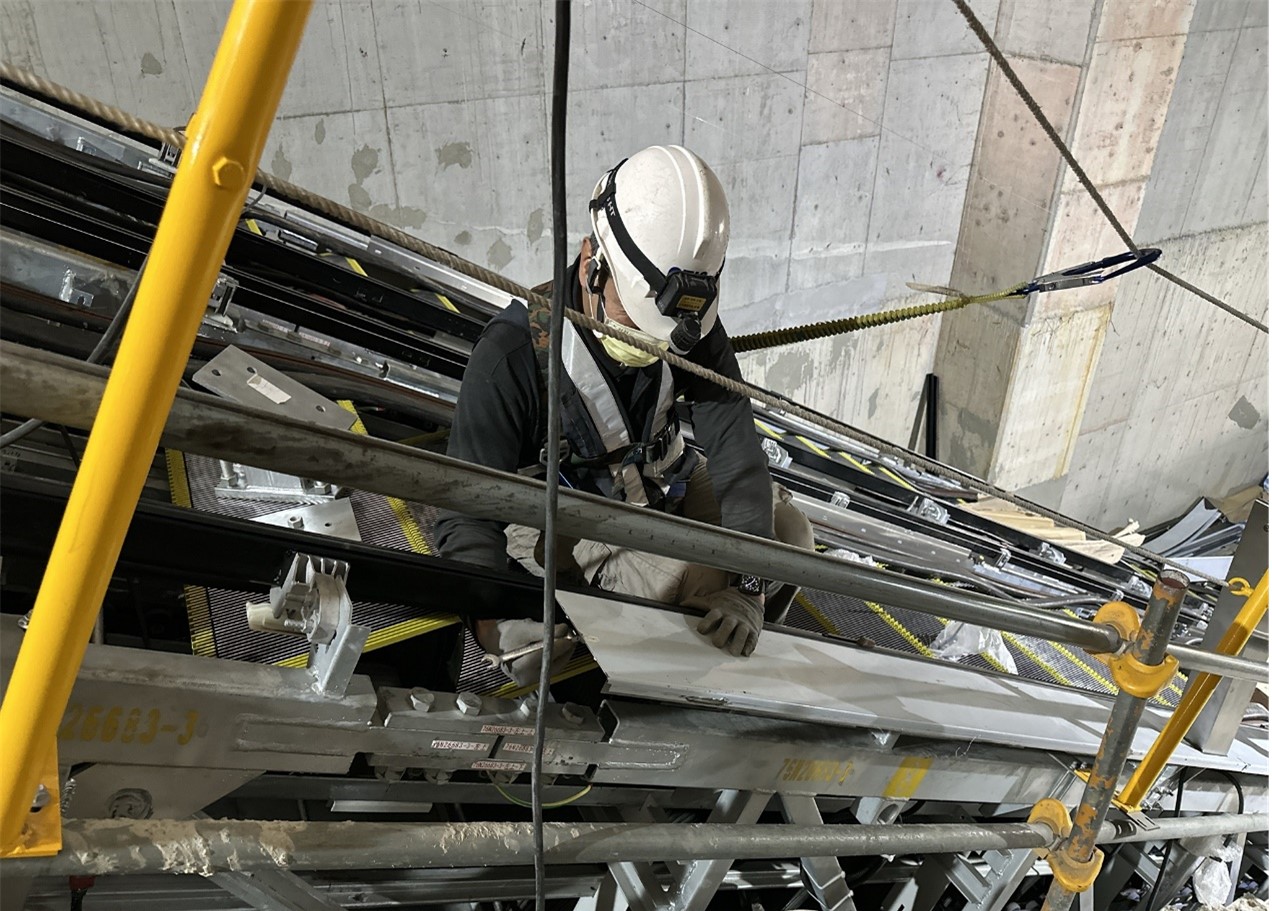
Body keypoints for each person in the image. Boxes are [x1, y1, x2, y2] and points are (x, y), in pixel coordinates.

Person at [436, 145, 814, 685]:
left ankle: (734, 643)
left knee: (790, 538)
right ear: (592, 264)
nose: (651, 343)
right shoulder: (512, 356)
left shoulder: (687, 322)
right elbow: (467, 510)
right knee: (699, 577)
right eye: (633, 321)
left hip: (663, 478)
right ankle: (686, 691)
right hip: (569, 510)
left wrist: (750, 589)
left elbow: (735, 451)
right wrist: (493, 623)